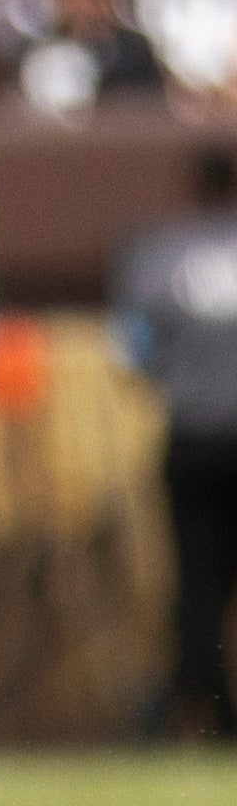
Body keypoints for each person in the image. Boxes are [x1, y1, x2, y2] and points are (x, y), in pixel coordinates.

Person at [116, 146, 237, 740]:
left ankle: (204, 702)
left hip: (192, 436)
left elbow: (133, 350)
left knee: (199, 578)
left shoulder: (161, 255)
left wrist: (177, 379)